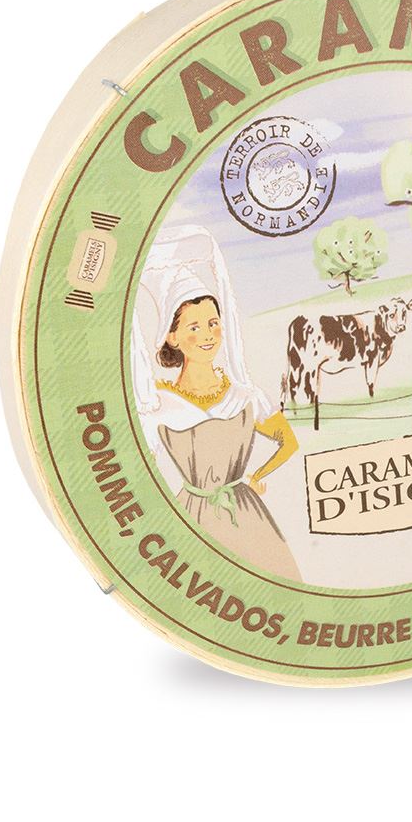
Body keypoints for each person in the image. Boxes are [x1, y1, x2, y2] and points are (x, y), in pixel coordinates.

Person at [131, 226, 301, 581]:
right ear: (172, 337)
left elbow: (289, 442)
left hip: (248, 515)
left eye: (213, 323)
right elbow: (141, 476)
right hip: (192, 520)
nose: (208, 335)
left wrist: (256, 476)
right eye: (194, 327)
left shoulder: (244, 395)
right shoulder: (159, 406)